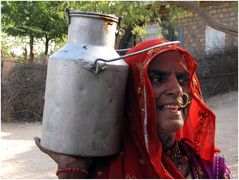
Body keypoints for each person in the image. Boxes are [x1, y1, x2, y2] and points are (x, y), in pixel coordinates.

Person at [35, 38, 232, 179]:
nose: (177, 89)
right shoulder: (101, 171)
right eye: (157, 79)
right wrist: (72, 171)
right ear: (130, 93)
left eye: (183, 79)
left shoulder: (210, 169)